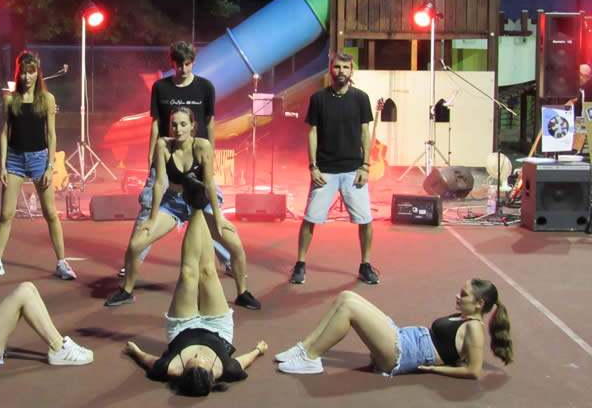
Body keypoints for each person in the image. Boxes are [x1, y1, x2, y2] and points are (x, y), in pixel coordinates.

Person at [107, 43, 260, 309]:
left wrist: (220, 217)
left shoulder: (204, 102)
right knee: (138, 238)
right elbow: (159, 178)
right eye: (179, 64)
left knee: (232, 242)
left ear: (192, 126)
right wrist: (152, 215)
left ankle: (242, 290)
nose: (178, 129)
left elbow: (209, 180)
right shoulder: (163, 133)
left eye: (188, 63)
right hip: (172, 199)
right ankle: (127, 288)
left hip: (199, 193)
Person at [122, 186, 268, 395]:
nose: (198, 357)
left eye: (192, 361)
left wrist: (135, 351)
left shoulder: (169, 368)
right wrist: (258, 350)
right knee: (208, 271)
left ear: (182, 372)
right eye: (204, 362)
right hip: (218, 328)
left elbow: (148, 361)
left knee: (189, 273)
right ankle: (199, 205)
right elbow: (243, 361)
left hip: (183, 327)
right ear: (213, 374)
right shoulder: (227, 369)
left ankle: (193, 208)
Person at [274, 278, 513, 379]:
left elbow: (473, 371)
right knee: (347, 296)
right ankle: (305, 348)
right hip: (404, 338)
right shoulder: (463, 317)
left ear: (480, 304)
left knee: (350, 309)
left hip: (402, 354)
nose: (458, 297)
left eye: (464, 295)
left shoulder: (475, 329)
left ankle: (312, 359)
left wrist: (433, 369)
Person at [0, 50, 76, 281]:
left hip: (39, 160)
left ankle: (62, 262)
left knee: (50, 213)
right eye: (23, 73)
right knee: (6, 214)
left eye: (31, 72)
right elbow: (5, 133)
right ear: (19, 74)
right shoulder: (10, 100)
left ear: (37, 73)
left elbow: (51, 134)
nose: (27, 77)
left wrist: (51, 166)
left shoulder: (47, 99)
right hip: (14, 159)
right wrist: (3, 166)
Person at [290, 52, 379, 286]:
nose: (341, 71)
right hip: (325, 171)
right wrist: (313, 167)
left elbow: (365, 133)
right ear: (331, 70)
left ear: (352, 71)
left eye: (345, 67)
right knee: (310, 219)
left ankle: (365, 265)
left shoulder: (361, 98)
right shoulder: (318, 98)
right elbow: (313, 133)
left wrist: (366, 166)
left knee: (365, 220)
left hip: (353, 171)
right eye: (337, 67)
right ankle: (300, 264)